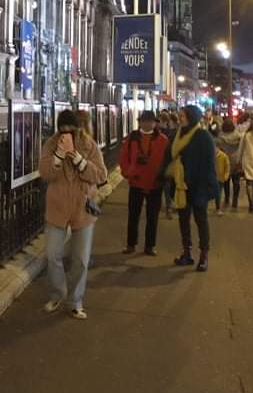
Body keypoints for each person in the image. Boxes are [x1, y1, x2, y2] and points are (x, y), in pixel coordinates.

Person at [40, 110, 108, 319]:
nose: (67, 134)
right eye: (63, 130)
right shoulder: (51, 145)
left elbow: (101, 175)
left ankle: (75, 300)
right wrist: (59, 155)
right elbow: (45, 174)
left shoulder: (89, 145)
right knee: (53, 255)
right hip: (57, 208)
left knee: (80, 259)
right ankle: (58, 294)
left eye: (71, 130)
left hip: (82, 208)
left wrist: (78, 159)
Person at [167, 105, 219, 272]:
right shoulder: (178, 135)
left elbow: (208, 164)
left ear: (192, 117)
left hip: (198, 186)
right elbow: (172, 157)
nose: (180, 118)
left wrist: (197, 181)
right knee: (183, 220)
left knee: (200, 220)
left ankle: (204, 255)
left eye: (183, 116)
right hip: (181, 186)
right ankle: (187, 252)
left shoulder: (203, 136)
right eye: (180, 116)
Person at [119, 110, 169, 256]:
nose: (147, 124)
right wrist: (128, 172)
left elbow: (168, 160)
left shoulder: (163, 140)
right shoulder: (132, 138)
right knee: (133, 215)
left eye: (150, 121)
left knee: (152, 217)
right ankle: (131, 244)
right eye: (144, 121)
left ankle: (150, 246)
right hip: (136, 182)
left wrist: (164, 176)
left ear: (155, 123)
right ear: (140, 122)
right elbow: (123, 157)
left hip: (156, 183)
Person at [216, 118, 243, 209]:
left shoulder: (220, 136)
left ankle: (227, 198)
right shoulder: (238, 136)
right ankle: (235, 200)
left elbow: (217, 148)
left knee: (226, 181)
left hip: (224, 160)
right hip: (235, 160)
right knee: (236, 181)